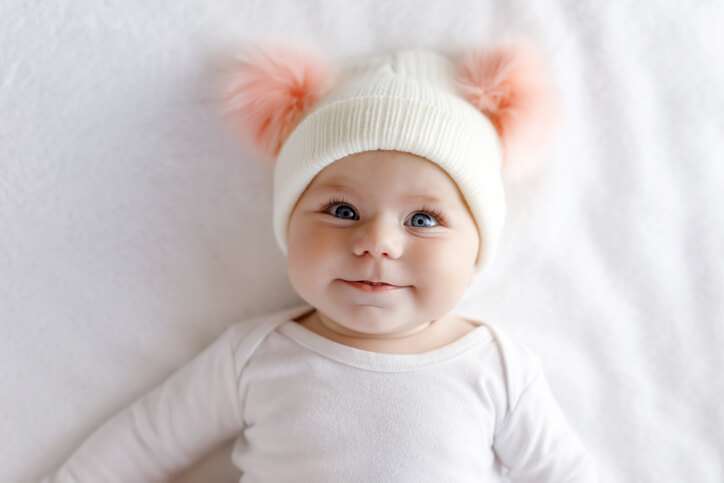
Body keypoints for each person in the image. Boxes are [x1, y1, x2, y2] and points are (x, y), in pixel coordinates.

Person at [42, 39, 597, 482]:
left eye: (422, 220)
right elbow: (143, 442)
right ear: (289, 223)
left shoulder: (497, 369)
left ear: (478, 246)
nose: (378, 243)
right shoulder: (254, 357)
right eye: (341, 209)